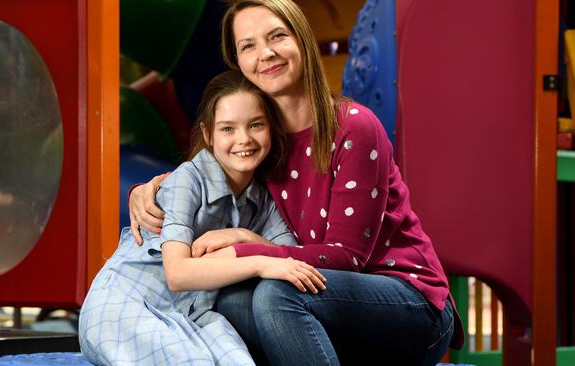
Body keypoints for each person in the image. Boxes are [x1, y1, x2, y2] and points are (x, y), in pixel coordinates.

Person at [129, 0, 465, 365]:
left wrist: (249, 246)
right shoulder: (259, 140)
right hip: (322, 302)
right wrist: (150, 190)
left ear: (301, 40)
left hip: (410, 302)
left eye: (277, 36)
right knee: (230, 300)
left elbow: (346, 257)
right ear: (239, 63)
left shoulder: (353, 128)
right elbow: (206, 176)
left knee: (276, 294)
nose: (266, 53)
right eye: (248, 46)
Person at [79, 69, 326, 366]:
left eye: (256, 125)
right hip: (127, 304)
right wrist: (260, 261)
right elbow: (178, 273)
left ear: (271, 128)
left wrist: (244, 237)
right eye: (227, 129)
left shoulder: (263, 199)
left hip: (193, 315)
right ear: (208, 134)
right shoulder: (188, 179)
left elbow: (289, 257)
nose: (244, 139)